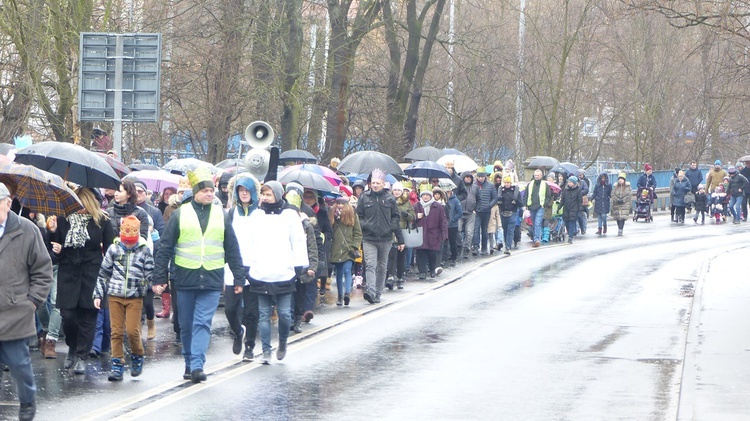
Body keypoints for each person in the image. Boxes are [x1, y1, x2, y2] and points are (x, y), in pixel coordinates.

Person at [153, 167, 246, 383]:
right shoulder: (180, 214)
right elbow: (165, 247)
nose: (210, 194)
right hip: (185, 279)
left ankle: (197, 364)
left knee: (202, 323)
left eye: (212, 191)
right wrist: (159, 278)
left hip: (212, 279)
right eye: (205, 190)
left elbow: (232, 247)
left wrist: (239, 277)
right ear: (195, 192)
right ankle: (188, 361)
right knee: (185, 324)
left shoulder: (221, 215)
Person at [48, 186, 115, 375]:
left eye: (80, 204)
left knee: (88, 316)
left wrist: (108, 273)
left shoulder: (102, 221)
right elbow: (54, 248)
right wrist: (53, 233)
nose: (77, 207)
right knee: (68, 316)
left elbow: (111, 249)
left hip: (92, 272)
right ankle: (72, 346)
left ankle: (82, 356)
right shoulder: (63, 220)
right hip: (68, 272)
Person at [0, 182, 53, 421]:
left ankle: (28, 402)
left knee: (19, 366)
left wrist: (32, 302)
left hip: (15, 312)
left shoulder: (27, 229)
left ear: (7, 203)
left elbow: (43, 270)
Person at [242, 181, 309, 364]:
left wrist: (300, 265)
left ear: (278, 196)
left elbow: (298, 241)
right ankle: (265, 350)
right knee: (263, 314)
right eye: (263, 194)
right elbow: (249, 241)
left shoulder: (289, 215)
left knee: (285, 313)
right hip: (260, 271)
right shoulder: (256, 215)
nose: (264, 197)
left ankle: (283, 342)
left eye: (269, 194)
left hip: (283, 271)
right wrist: (246, 266)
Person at [93, 215, 157, 381]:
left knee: (132, 331)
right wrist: (98, 294)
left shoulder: (144, 250)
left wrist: (148, 286)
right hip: (114, 295)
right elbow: (103, 273)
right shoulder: (113, 249)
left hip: (135, 296)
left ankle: (137, 355)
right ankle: (117, 364)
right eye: (126, 240)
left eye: (131, 240)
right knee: (116, 331)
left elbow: (150, 273)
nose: (128, 244)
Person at [225, 173, 262, 360]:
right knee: (230, 308)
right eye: (241, 190)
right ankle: (239, 331)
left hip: (254, 267)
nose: (244, 193)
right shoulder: (231, 214)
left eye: (247, 190)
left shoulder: (260, 214)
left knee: (251, 311)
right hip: (234, 268)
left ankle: (249, 346)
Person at [356, 168, 404, 304]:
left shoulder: (389, 199)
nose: (375, 185)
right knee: (370, 265)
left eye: (378, 183)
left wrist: (392, 228)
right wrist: (364, 225)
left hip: (385, 238)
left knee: (382, 266)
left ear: (383, 184)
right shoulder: (364, 197)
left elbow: (396, 216)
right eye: (373, 183)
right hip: (369, 238)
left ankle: (378, 291)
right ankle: (370, 291)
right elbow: (358, 215)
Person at [132, 179, 165, 340]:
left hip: (149, 259)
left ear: (146, 194)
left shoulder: (154, 211)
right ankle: (137, 326)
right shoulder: (127, 209)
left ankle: (150, 322)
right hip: (131, 260)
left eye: (141, 191)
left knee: (147, 299)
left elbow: (161, 233)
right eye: (135, 191)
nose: (138, 194)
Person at [329, 196, 362, 304]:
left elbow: (357, 233)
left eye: (342, 204)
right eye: (338, 204)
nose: (340, 206)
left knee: (347, 270)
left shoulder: (353, 216)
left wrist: (354, 246)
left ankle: (347, 293)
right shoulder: (332, 216)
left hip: (349, 249)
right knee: (339, 272)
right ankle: (340, 295)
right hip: (336, 248)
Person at [414, 188, 448, 279]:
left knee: (432, 253)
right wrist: (416, 217)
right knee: (421, 253)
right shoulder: (416, 206)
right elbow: (410, 219)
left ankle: (432, 269)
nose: (425, 197)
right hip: (420, 234)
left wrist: (444, 234)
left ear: (430, 196)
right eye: (423, 195)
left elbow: (443, 221)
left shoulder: (437, 206)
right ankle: (422, 271)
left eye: (427, 195)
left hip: (434, 234)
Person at [388, 182, 414, 289]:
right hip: (391, 231)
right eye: (395, 190)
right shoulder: (388, 201)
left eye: (399, 190)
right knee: (391, 255)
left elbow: (413, 217)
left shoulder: (407, 203)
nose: (397, 192)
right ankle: (390, 276)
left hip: (402, 232)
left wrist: (407, 215)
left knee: (401, 257)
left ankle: (399, 277)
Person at [472, 168, 497, 255]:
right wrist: (474, 207)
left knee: (484, 230)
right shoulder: (474, 185)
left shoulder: (490, 185)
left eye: (482, 176)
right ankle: (475, 247)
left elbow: (495, 198)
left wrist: (489, 205)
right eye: (479, 177)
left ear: (485, 177)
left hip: (486, 211)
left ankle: (484, 247)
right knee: (476, 229)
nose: (481, 178)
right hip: (477, 211)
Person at [526, 169, 551, 248]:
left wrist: (544, 204)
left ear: (541, 176)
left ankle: (537, 239)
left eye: (538, 175)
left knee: (537, 223)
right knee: (533, 223)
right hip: (531, 206)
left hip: (540, 207)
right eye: (535, 175)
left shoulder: (545, 184)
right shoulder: (530, 184)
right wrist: (525, 205)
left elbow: (548, 196)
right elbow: (526, 195)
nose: (536, 177)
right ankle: (535, 239)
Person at [497, 176, 521, 255]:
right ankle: (507, 244)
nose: (507, 184)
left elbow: (521, 203)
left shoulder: (515, 191)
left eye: (508, 182)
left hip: (512, 212)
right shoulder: (501, 191)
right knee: (505, 230)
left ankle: (508, 247)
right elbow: (498, 201)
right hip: (503, 213)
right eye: (505, 182)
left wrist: (516, 200)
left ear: (511, 183)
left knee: (510, 230)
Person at [459, 171, 477, 258]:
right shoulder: (459, 187)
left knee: (469, 233)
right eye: (466, 177)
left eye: (470, 177)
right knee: (458, 231)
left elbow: (479, 199)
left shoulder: (475, 188)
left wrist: (476, 209)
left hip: (471, 213)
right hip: (460, 212)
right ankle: (459, 247)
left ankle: (466, 249)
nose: (468, 179)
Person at [560, 176, 582, 244]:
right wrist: (559, 207)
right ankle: (569, 233)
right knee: (566, 222)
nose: (569, 183)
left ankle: (570, 237)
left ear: (574, 183)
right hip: (566, 209)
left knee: (571, 223)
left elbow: (579, 200)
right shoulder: (565, 190)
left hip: (574, 209)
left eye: (571, 182)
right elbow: (562, 200)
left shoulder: (578, 190)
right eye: (568, 182)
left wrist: (579, 209)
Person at [445, 187, 462, 265]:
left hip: (453, 225)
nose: (448, 193)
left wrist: (452, 220)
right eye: (446, 192)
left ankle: (454, 257)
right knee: (445, 242)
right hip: (445, 225)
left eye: (449, 192)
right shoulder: (443, 201)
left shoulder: (455, 201)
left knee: (453, 242)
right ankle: (445, 256)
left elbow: (459, 213)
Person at [577, 169, 590, 235]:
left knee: (583, 215)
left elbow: (586, 189)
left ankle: (583, 228)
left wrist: (579, 193)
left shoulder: (583, 182)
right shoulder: (572, 182)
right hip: (576, 201)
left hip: (583, 201)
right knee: (577, 215)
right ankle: (577, 229)